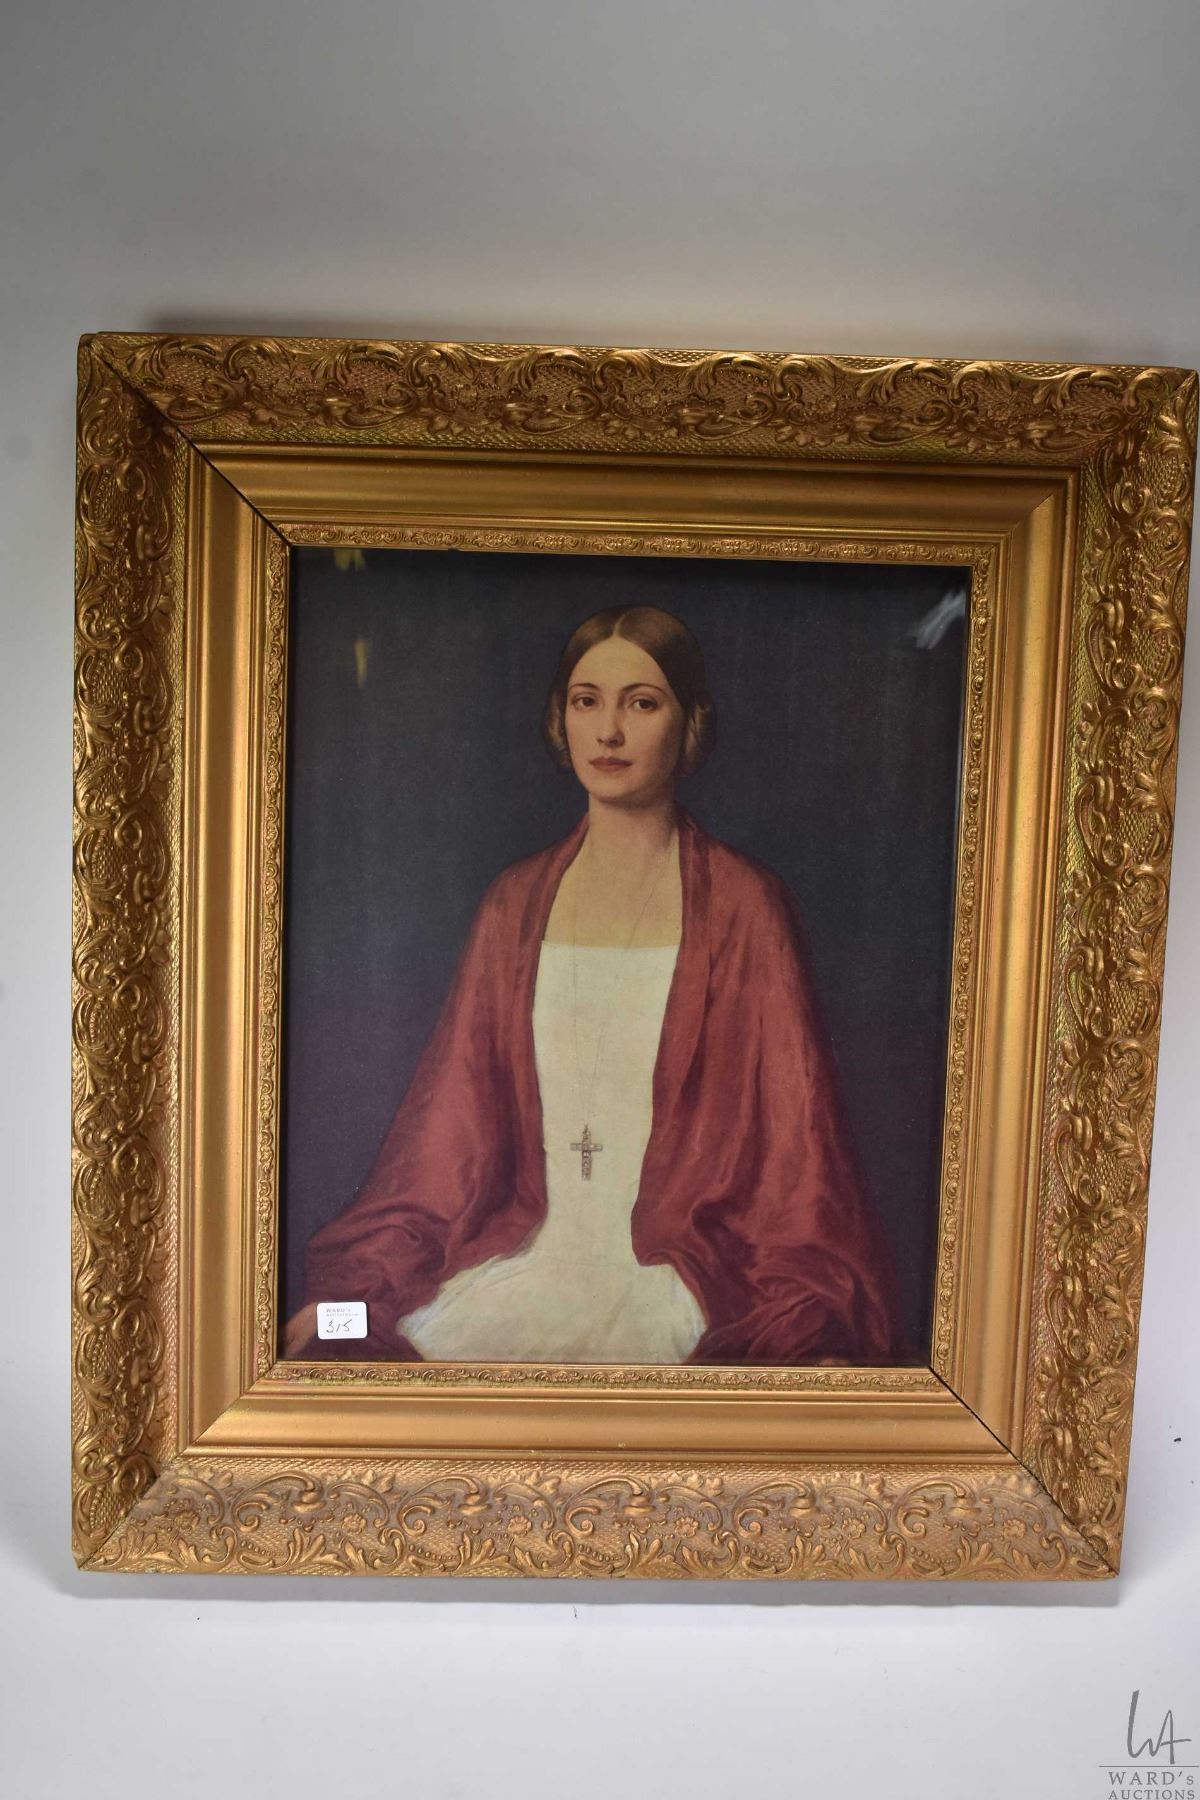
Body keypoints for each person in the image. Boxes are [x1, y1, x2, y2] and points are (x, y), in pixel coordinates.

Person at [285, 605, 895, 1365]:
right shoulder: (513, 904)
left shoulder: (746, 906)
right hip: (509, 1262)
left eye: (641, 703)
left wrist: (814, 1337)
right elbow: (445, 1144)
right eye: (586, 701)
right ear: (561, 718)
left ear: (690, 723)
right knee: (341, 1338)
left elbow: (799, 1165)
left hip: (680, 1281)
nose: (608, 732)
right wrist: (343, 1303)